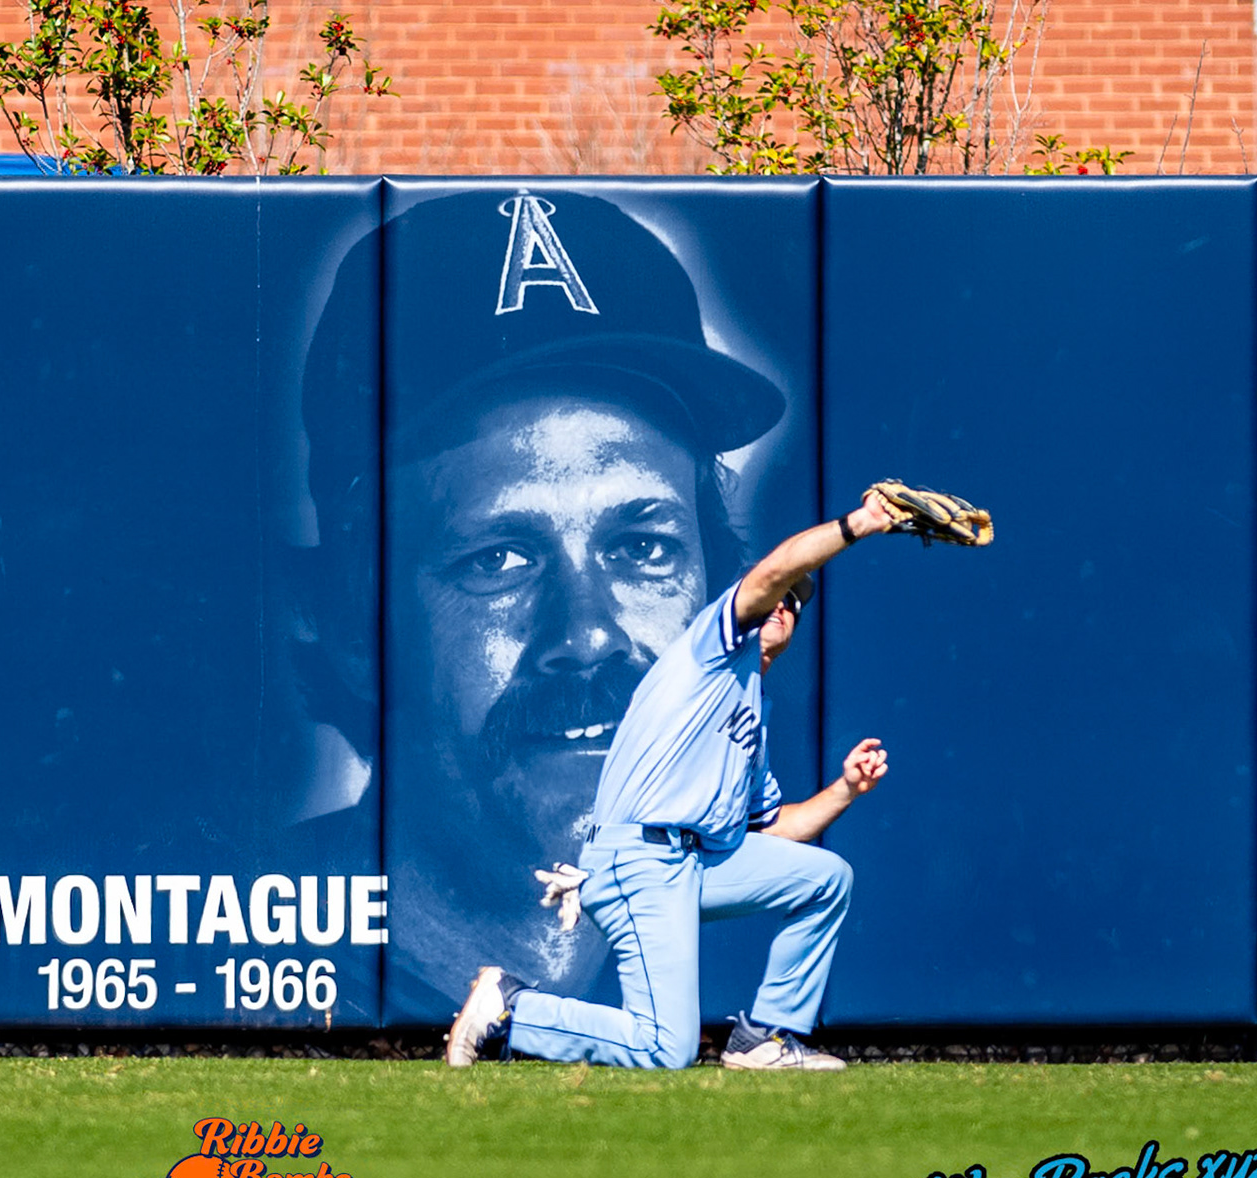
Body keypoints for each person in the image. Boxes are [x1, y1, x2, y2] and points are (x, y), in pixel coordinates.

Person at [298, 188, 795, 1018]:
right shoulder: (240, 977)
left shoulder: (780, 955)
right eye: (498, 558)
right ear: (356, 622)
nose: (589, 635)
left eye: (644, 548)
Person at [444, 486, 901, 1070]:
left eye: (796, 603)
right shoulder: (712, 651)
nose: (784, 604)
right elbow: (777, 569)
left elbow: (770, 828)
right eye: (777, 597)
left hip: (692, 864)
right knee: (664, 1048)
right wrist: (858, 524)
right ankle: (512, 1009)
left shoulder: (752, 708)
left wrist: (845, 790)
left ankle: (764, 1038)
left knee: (824, 877)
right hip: (640, 859)